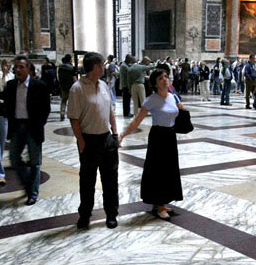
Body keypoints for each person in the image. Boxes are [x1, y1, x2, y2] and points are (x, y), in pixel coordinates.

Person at [118, 67, 185, 220]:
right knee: (158, 170)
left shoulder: (172, 96)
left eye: (166, 76)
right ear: (155, 83)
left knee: (169, 170)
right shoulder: (152, 99)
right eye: (161, 78)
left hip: (170, 135)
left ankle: (160, 203)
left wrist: (182, 109)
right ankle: (160, 206)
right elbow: (137, 120)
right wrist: (122, 135)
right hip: (158, 136)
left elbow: (176, 115)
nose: (165, 79)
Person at [67, 52, 119, 229]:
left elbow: (110, 111)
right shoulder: (77, 88)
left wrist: (115, 133)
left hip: (106, 138)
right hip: (88, 140)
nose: (104, 67)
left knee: (110, 179)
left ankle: (111, 214)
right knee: (87, 180)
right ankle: (85, 214)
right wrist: (81, 142)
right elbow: (73, 118)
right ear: (95, 67)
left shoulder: (103, 85)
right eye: (102, 65)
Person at [4, 55, 50, 205]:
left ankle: (33, 193)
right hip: (17, 126)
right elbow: (7, 106)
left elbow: (46, 108)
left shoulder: (39, 86)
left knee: (35, 162)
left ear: (29, 69)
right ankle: (28, 184)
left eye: (21, 67)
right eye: (16, 67)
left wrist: (39, 124)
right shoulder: (11, 86)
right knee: (14, 158)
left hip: (33, 127)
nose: (18, 70)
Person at [57, 54, 78, 121]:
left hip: (63, 86)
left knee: (63, 100)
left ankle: (62, 114)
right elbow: (74, 78)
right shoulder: (72, 68)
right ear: (70, 59)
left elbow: (58, 77)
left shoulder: (60, 67)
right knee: (72, 101)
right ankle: (72, 115)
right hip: (71, 86)